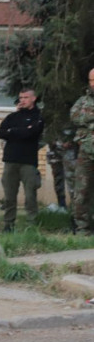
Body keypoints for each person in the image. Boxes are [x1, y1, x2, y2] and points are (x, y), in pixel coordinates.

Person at [0, 88, 44, 232]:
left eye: (26, 97)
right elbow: (1, 133)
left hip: (28, 162)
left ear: (33, 98)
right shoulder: (12, 117)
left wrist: (13, 131)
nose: (22, 100)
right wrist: (21, 130)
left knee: (30, 195)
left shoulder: (38, 117)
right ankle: (8, 224)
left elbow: (32, 133)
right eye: (21, 97)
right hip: (11, 160)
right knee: (9, 196)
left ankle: (31, 225)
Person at [71, 69, 94, 234]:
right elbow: (74, 117)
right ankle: (82, 228)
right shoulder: (83, 101)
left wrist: (88, 117)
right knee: (82, 191)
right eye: (92, 80)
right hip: (86, 151)